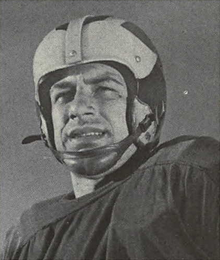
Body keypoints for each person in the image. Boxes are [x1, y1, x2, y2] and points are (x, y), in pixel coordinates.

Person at [1, 15, 219, 260]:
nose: (78, 108)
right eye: (63, 94)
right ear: (45, 117)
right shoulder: (29, 240)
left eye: (105, 89)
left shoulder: (186, 179)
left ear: (145, 105)